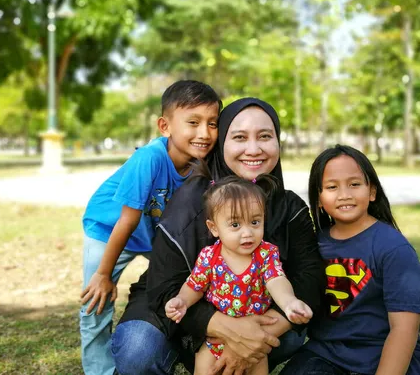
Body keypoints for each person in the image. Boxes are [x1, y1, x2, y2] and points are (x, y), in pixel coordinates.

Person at [112, 98, 326, 375]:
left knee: (291, 335)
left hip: (251, 308)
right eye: (239, 137)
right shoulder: (190, 202)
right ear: (222, 142)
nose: (254, 148)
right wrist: (233, 333)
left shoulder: (289, 207)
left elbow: (310, 276)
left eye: (265, 136)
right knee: (138, 351)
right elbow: (165, 287)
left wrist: (260, 331)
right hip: (179, 306)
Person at [79, 80, 222, 375]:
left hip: (149, 235)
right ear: (165, 126)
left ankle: (184, 339)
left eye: (212, 123)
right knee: (96, 301)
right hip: (109, 230)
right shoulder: (150, 158)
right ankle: (101, 371)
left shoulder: (201, 165)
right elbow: (127, 221)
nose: (204, 133)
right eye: (193, 122)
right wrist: (104, 275)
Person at [280, 145, 420, 375]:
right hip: (326, 353)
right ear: (318, 199)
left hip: (382, 354)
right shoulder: (314, 245)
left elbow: (404, 330)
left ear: (372, 191)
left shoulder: (393, 248)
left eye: (354, 184)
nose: (344, 194)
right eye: (332, 187)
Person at [165, 174, 314, 375]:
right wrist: (182, 300)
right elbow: (195, 285)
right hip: (215, 339)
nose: (247, 233)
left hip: (254, 339)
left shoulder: (265, 254)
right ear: (214, 228)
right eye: (235, 225)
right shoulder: (210, 256)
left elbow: (276, 280)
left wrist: (289, 303)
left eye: (255, 222)